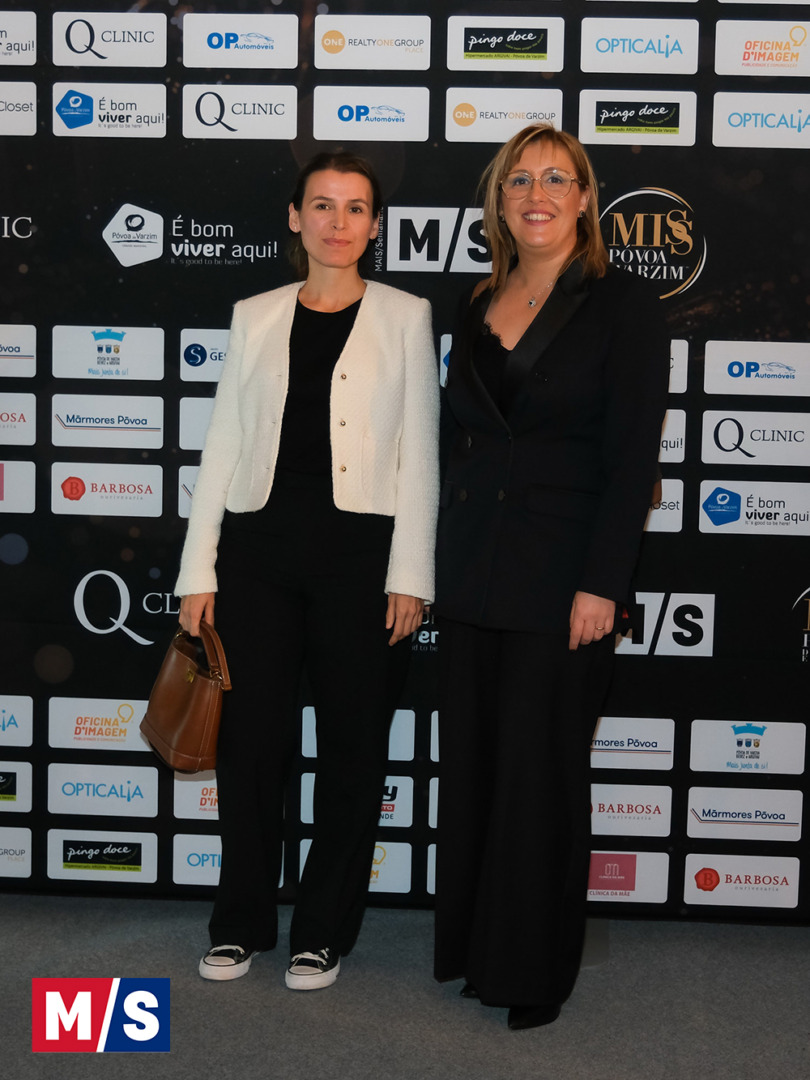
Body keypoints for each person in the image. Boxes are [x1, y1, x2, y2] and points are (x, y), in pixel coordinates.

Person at [175, 152, 439, 990]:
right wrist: (197, 569)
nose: (337, 222)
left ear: (374, 225)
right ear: (295, 217)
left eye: (355, 208)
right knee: (250, 749)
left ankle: (322, 931)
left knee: (354, 752)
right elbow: (223, 443)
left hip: (362, 564)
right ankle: (240, 923)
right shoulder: (254, 315)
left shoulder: (405, 315)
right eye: (321, 205)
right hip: (257, 558)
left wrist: (411, 573)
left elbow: (421, 452)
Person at [433, 123, 669, 1030]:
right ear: (499, 200)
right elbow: (461, 443)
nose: (538, 195)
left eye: (557, 180)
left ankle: (530, 973)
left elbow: (632, 460)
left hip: (564, 581)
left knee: (542, 779)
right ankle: (473, 950)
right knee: (477, 770)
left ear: (584, 198)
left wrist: (602, 585)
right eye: (520, 180)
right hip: (472, 575)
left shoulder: (623, 305)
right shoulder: (474, 301)